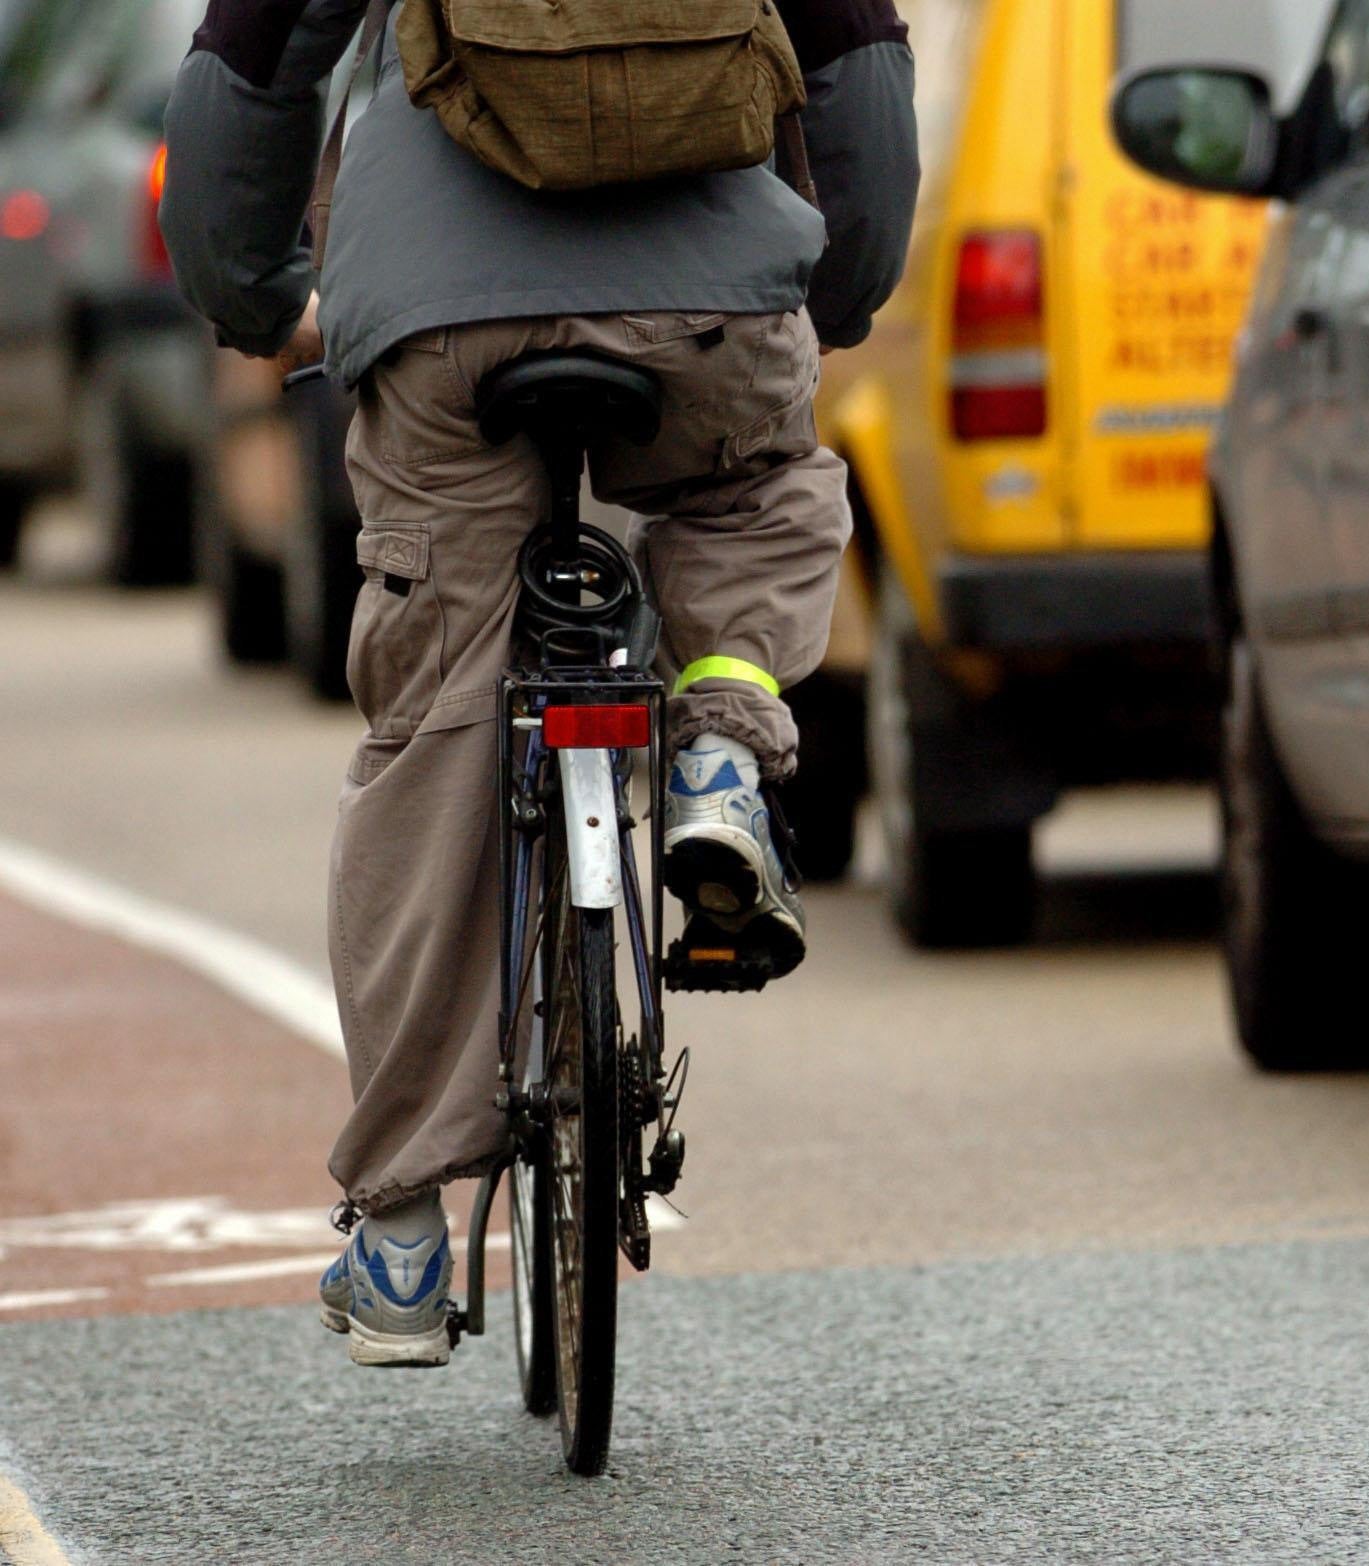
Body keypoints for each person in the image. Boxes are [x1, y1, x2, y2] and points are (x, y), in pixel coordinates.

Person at [158, 0, 916, 1367]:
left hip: (440, 322)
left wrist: (256, 295)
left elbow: (249, 72)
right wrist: (840, 285)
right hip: (711, 304)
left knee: (439, 707)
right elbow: (862, 74)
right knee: (754, 495)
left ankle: (397, 1232)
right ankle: (721, 749)